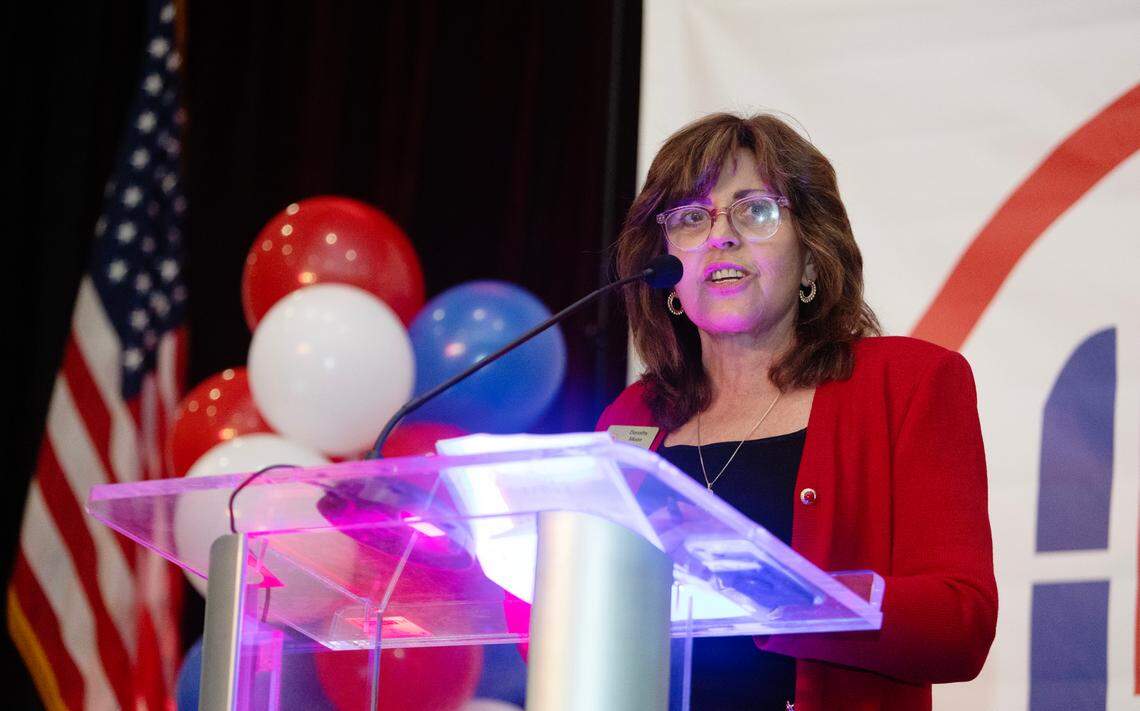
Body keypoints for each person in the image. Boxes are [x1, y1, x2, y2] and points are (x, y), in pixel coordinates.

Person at [596, 113, 997, 710]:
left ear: (812, 256)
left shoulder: (910, 384)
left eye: (755, 210)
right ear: (667, 276)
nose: (720, 236)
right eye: (689, 218)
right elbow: (562, 621)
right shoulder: (634, 414)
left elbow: (959, 623)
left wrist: (773, 593)